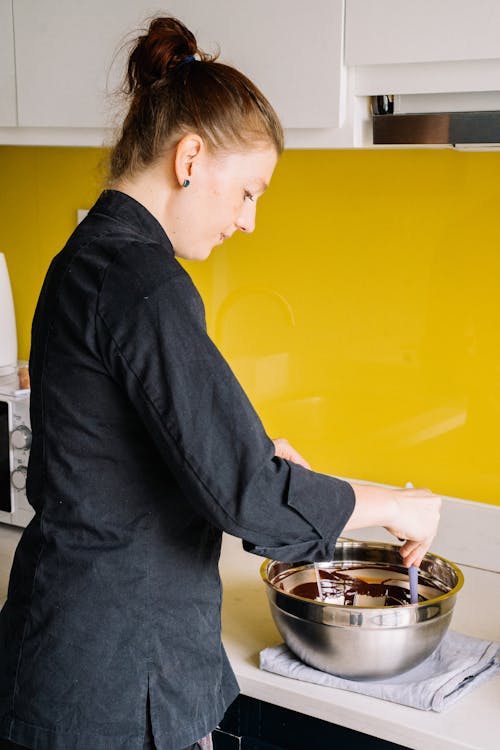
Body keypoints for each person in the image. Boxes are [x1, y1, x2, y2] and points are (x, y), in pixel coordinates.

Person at [0, 16, 441, 750]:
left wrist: (247, 455)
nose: (249, 221)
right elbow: (251, 499)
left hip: (69, 662)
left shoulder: (86, 259)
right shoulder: (145, 282)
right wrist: (403, 504)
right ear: (192, 157)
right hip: (114, 683)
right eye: (247, 193)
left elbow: (130, 444)